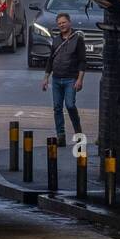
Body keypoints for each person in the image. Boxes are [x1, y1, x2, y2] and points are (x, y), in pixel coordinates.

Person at [41, 11, 85, 144]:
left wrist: (80, 79)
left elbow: (83, 61)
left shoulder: (78, 39)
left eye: (64, 22)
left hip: (70, 79)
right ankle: (61, 135)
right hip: (56, 79)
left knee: (70, 105)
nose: (62, 25)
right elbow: (50, 60)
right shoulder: (56, 40)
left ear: (69, 22)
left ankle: (78, 132)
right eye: (59, 23)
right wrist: (46, 78)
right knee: (57, 107)